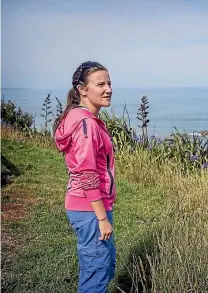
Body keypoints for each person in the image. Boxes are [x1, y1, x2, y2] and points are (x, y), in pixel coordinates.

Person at [53, 61, 117, 293]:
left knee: (103, 266)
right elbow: (88, 174)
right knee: (96, 274)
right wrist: (102, 218)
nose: (108, 89)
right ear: (82, 90)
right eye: (100, 84)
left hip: (88, 206)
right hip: (90, 208)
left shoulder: (78, 117)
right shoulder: (86, 125)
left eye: (109, 83)